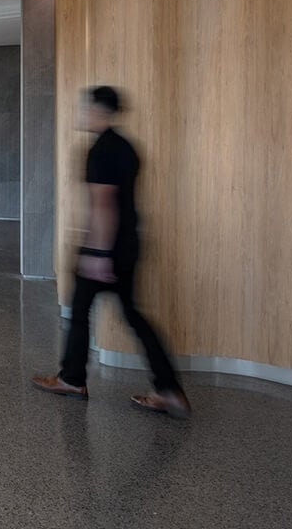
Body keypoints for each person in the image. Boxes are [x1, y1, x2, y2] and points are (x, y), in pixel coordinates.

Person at [32, 86, 190, 418]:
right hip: (128, 244)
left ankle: (72, 379)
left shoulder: (101, 150)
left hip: (105, 249)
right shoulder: (126, 147)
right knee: (132, 315)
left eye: (86, 108)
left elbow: (103, 205)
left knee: (80, 310)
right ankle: (168, 389)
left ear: (98, 111)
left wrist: (98, 254)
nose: (82, 113)